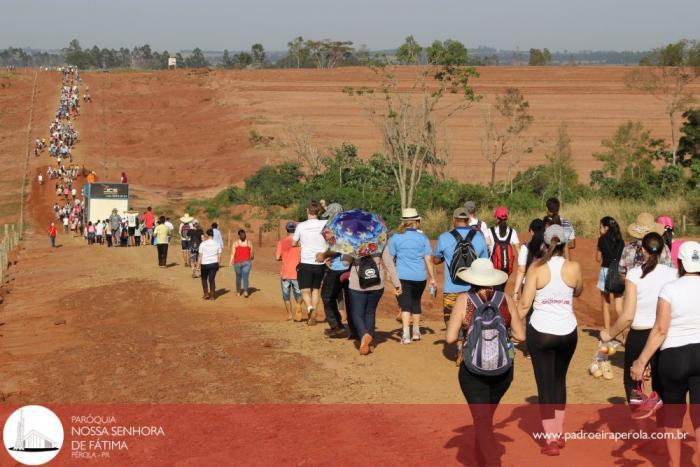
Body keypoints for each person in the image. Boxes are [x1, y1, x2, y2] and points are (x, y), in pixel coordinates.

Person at [447, 259, 525, 467]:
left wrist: (469, 337)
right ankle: (480, 459)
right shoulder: (505, 299)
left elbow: (450, 337)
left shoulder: (465, 300)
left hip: (473, 371)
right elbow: (521, 336)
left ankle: (491, 462)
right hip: (503, 371)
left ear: (471, 278)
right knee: (485, 419)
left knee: (482, 422)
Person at [631, 241, 700, 467]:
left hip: (674, 357)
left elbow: (660, 329)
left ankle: (674, 464)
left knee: (673, 416)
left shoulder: (670, 288)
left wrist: (641, 361)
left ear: (679, 262)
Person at [518, 224, 583, 456]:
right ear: (565, 244)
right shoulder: (574, 267)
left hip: (541, 331)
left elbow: (525, 305)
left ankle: (552, 439)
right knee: (559, 380)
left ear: (545, 244)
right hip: (568, 332)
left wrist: (510, 325)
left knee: (544, 385)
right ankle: (560, 431)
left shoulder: (536, 267)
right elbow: (578, 290)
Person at [601, 233, 676, 419]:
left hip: (640, 335)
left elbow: (627, 316)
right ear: (663, 250)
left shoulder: (634, 274)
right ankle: (663, 437)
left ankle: (643, 431)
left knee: (633, 383)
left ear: (642, 250)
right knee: (662, 385)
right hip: (665, 335)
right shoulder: (673, 273)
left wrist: (609, 333)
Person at [388, 208, 437, 344]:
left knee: (405, 305)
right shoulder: (423, 238)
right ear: (416, 222)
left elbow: (390, 259)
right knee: (416, 302)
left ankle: (405, 334)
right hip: (420, 277)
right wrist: (432, 278)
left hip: (402, 276)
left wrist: (390, 276)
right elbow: (428, 259)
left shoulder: (395, 238)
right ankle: (416, 332)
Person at [434, 207, 490, 324]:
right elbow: (485, 263)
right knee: (471, 323)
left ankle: (456, 342)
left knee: (451, 325)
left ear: (454, 219)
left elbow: (436, 260)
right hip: (472, 290)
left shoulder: (444, 237)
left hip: (451, 290)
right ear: (468, 220)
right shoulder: (479, 238)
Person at [346, 246, 400, 355]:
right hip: (377, 282)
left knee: (356, 313)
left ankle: (364, 335)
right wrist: (397, 283)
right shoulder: (380, 240)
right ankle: (370, 343)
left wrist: (347, 251)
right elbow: (389, 263)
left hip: (357, 283)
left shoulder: (352, 241)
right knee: (370, 312)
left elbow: (345, 263)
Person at [317, 203, 351, 337]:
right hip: (349, 267)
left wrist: (324, 255)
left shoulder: (338, 227)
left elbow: (337, 247)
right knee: (350, 298)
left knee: (327, 296)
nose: (329, 218)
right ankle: (354, 329)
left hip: (338, 268)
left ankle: (337, 326)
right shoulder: (348, 226)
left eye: (330, 215)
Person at [292, 201, 328, 326]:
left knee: (304, 290)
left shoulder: (301, 226)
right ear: (319, 212)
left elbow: (293, 243)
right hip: (320, 262)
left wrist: (301, 242)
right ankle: (314, 312)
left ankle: (309, 308)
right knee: (316, 289)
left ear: (307, 211)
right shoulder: (325, 223)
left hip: (306, 262)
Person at [596, 216, 625, 333]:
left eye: (601, 227)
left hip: (605, 271)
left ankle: (607, 332)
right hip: (618, 272)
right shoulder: (621, 241)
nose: (599, 229)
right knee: (619, 307)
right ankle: (625, 333)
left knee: (606, 303)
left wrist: (598, 242)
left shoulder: (602, 240)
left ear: (606, 228)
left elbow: (597, 258)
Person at [276, 222, 304, 321]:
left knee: (286, 296)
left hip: (285, 274)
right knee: (300, 294)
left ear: (287, 230)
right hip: (297, 273)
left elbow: (277, 257)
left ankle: (289, 315)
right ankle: (298, 306)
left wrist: (284, 257)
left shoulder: (281, 242)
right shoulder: (300, 242)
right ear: (295, 230)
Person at [513, 219, 546, 302]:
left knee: (527, 312)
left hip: (528, 285)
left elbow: (521, 271)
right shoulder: (548, 248)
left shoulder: (525, 247)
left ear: (531, 231)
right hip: (545, 285)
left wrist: (515, 293)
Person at [489, 207, 520, 291]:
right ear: (507, 218)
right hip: (506, 266)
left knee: (494, 289)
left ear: (496, 218)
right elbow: (518, 249)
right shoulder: (512, 232)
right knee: (502, 288)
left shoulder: (490, 231)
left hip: (493, 267)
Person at [197, 229, 222, 300]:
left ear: (207, 235)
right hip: (214, 264)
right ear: (213, 235)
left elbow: (200, 256)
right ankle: (212, 295)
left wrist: (198, 266)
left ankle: (206, 293)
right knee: (212, 279)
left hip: (204, 264)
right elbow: (219, 255)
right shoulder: (217, 244)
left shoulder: (203, 244)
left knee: (204, 278)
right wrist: (218, 264)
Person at [231, 229, 254, 297]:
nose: (243, 235)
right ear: (239, 236)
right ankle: (241, 291)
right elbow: (233, 253)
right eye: (242, 234)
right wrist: (231, 261)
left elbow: (252, 253)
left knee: (243, 277)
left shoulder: (247, 242)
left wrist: (252, 256)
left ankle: (243, 291)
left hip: (244, 263)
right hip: (239, 263)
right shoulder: (237, 243)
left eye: (244, 234)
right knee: (240, 277)